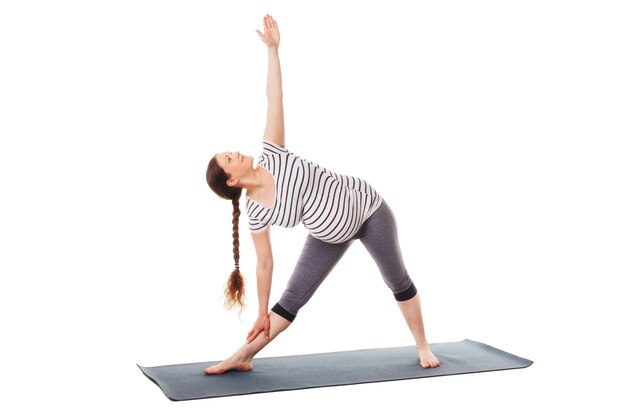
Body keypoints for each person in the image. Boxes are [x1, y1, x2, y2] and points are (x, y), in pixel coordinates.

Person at [204, 14, 440, 374]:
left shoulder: (273, 153)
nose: (234, 152)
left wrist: (273, 51)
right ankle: (242, 356)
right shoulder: (256, 212)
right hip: (327, 236)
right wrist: (261, 310)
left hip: (369, 212)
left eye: (229, 151)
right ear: (232, 181)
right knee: (291, 302)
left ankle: (422, 344)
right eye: (228, 159)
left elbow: (274, 96)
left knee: (398, 280)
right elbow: (264, 263)